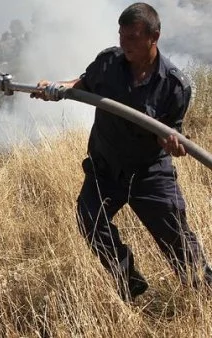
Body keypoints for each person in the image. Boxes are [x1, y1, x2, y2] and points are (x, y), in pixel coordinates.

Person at [31, 2, 212, 302]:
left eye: (132, 37)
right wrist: (56, 88)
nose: (123, 43)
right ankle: (128, 280)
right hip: (105, 168)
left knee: (179, 243)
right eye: (121, 35)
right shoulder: (108, 63)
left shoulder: (175, 85)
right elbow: (83, 84)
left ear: (154, 37)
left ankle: (204, 291)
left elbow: (171, 133)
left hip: (149, 175)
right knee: (89, 219)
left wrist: (172, 145)